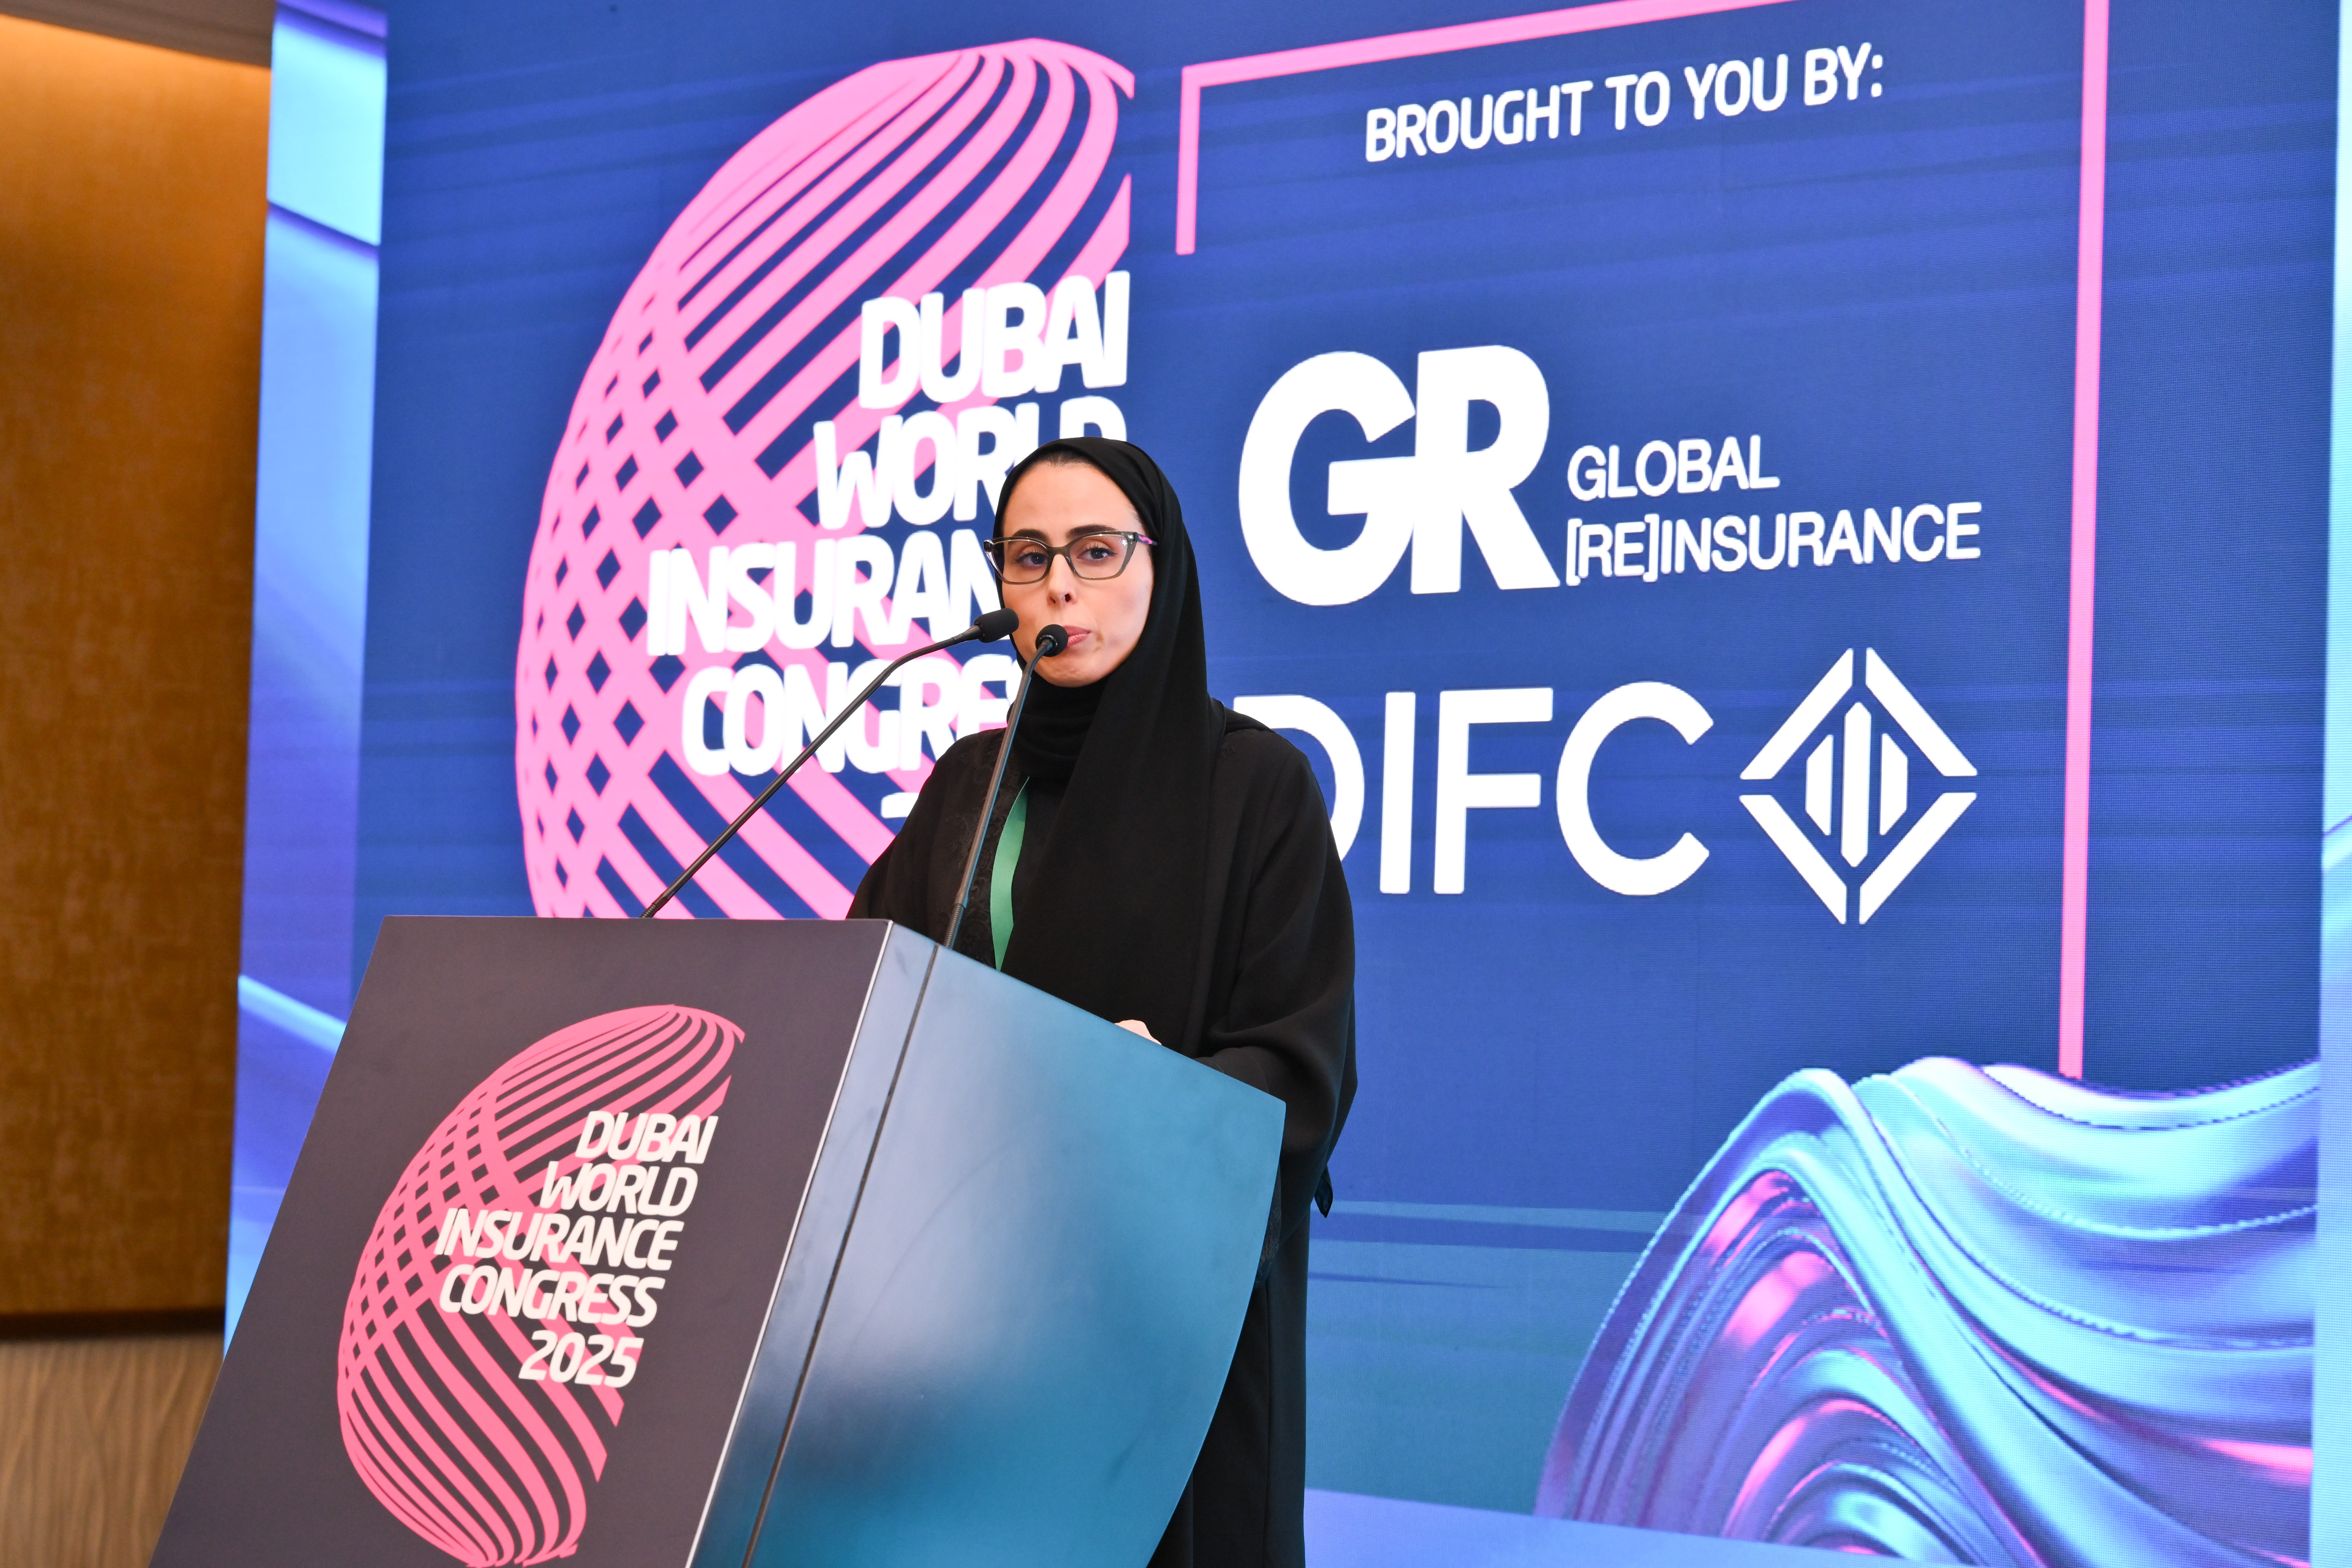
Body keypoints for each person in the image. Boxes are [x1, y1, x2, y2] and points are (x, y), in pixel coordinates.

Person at [847, 437, 1356, 1568]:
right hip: (959, 1322)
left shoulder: (1253, 788)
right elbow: (861, 1002)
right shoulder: (972, 784)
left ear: (1161, 567)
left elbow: (1299, 1059)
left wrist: (1155, 1100)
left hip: (1166, 1335)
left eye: (1095, 550)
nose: (1059, 586)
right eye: (1028, 557)